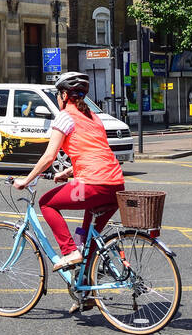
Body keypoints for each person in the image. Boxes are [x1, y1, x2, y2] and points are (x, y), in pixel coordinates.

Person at [13, 72, 126, 283]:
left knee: (46, 203)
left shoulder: (65, 116)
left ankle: (69, 251)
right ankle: (86, 292)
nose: (57, 98)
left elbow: (49, 156)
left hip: (92, 185)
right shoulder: (93, 117)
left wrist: (25, 181)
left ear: (64, 95)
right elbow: (96, 153)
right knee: (87, 240)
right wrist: (68, 172)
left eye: (58, 94)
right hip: (115, 186)